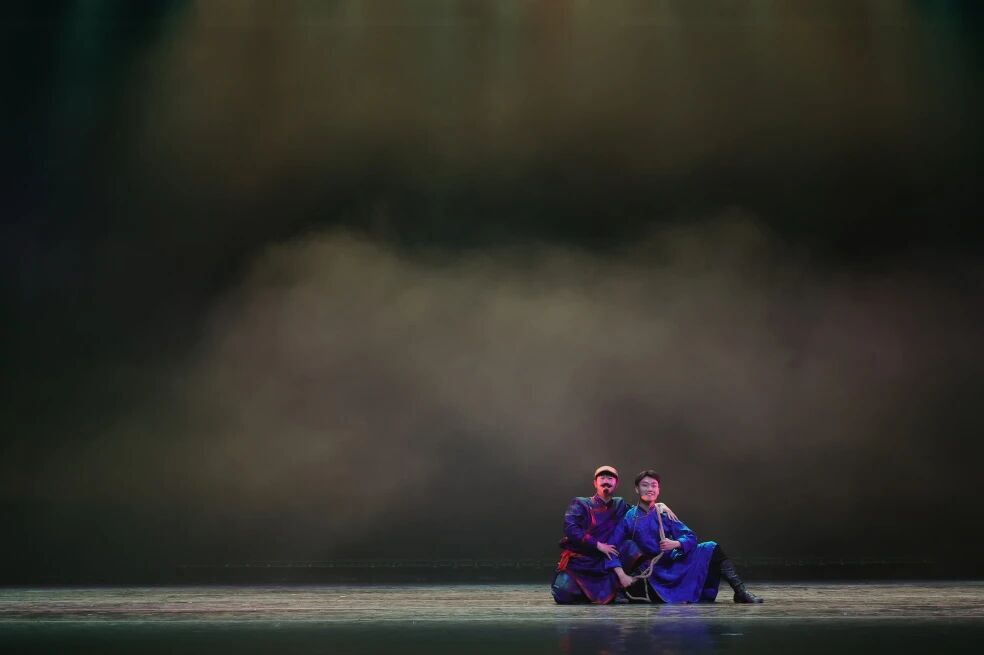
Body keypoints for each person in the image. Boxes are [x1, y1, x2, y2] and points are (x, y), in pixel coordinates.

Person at [606, 469, 763, 603]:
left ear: (659, 490)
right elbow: (612, 548)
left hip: (674, 562)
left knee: (710, 547)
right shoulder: (629, 517)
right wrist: (621, 574)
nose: (650, 489)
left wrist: (676, 543)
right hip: (652, 572)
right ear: (637, 489)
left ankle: (740, 591)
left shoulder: (664, 513)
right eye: (645, 485)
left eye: (654, 485)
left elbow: (690, 536)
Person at [551, 465, 677, 604]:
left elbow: (639, 512)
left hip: (607, 560)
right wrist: (598, 545)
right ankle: (596, 592)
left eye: (610, 478)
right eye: (602, 478)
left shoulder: (620, 504)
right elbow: (571, 529)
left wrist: (658, 505)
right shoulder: (580, 503)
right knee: (563, 595)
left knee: (630, 546)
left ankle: (619, 588)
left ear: (616, 484)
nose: (606, 481)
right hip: (582, 563)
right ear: (595, 483)